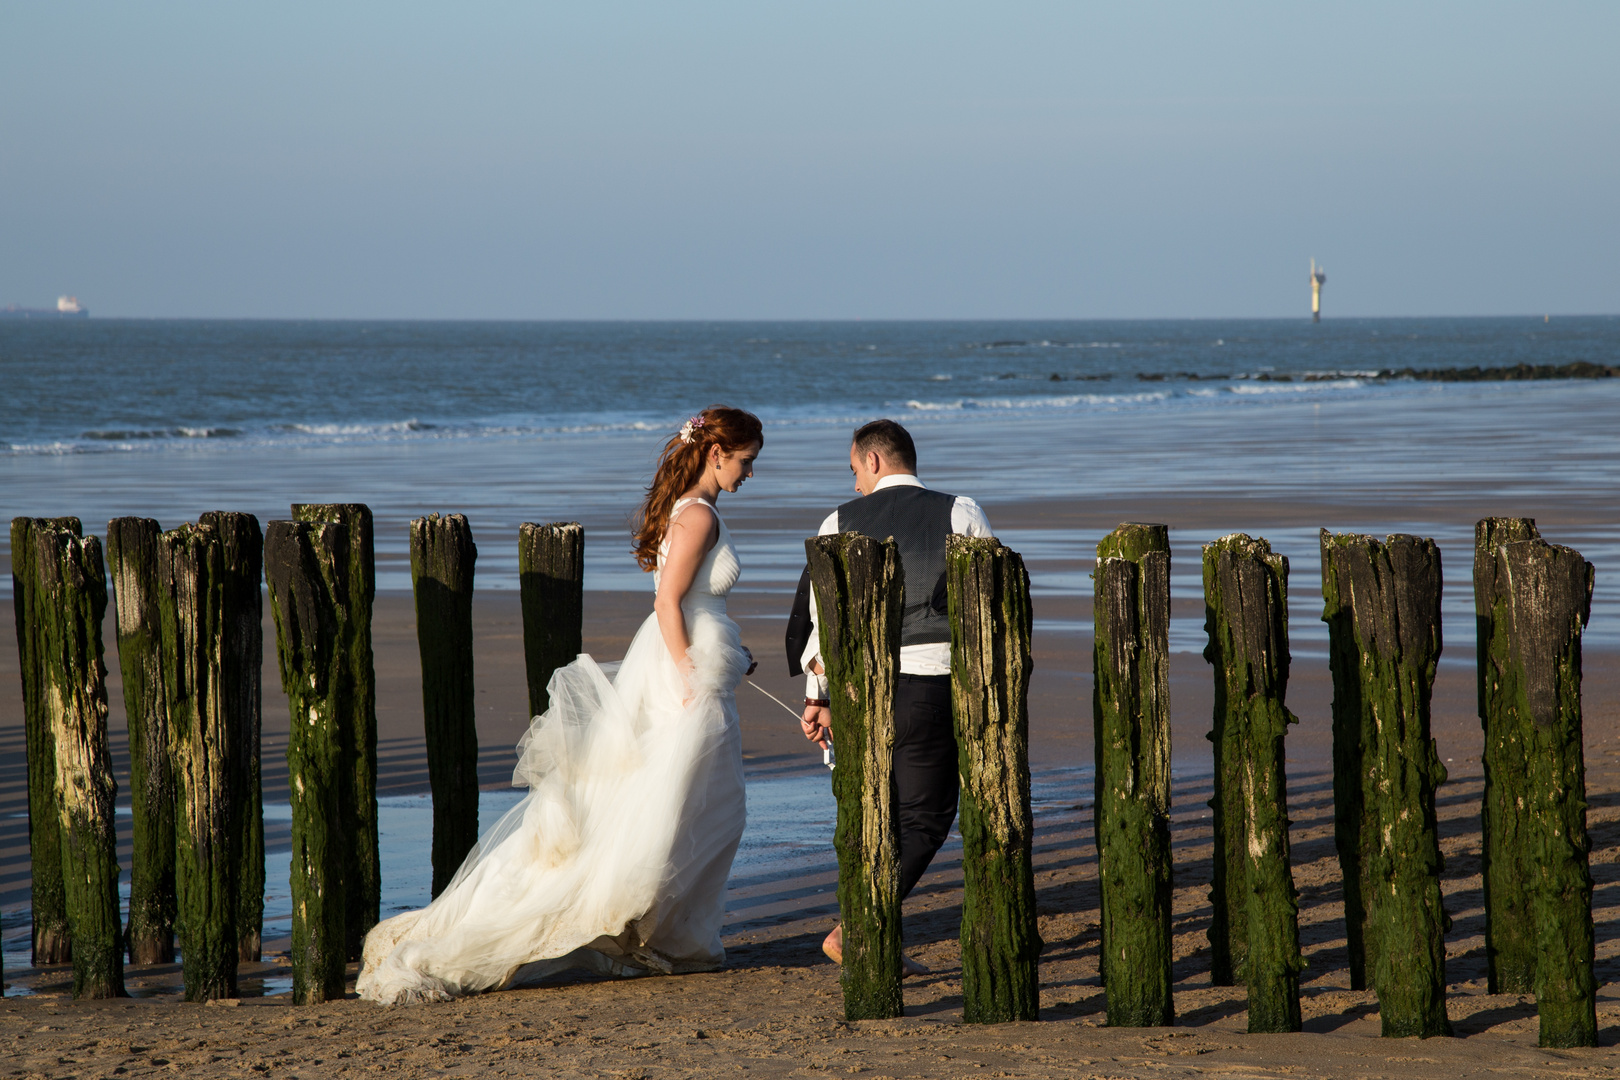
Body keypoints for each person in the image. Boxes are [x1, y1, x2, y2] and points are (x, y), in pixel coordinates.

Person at [357, 406, 763, 1004]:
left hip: (688, 659)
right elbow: (670, 604)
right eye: (746, 461)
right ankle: (655, 936)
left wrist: (724, 655)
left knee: (681, 806)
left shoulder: (692, 511)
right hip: (681, 671)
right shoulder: (698, 515)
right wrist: (689, 677)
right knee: (689, 806)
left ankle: (661, 934)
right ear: (715, 453)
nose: (750, 474)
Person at [784, 418, 991, 973]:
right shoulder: (961, 512)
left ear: (874, 461)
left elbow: (820, 622)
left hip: (856, 689)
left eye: (854, 470)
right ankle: (858, 929)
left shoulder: (837, 521)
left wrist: (818, 696)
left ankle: (872, 937)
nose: (854, 485)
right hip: (929, 684)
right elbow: (986, 602)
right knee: (923, 818)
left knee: (874, 812)